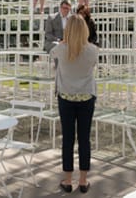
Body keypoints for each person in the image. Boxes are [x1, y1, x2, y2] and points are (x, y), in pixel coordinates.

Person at [51, 14, 99, 193]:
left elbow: (51, 55)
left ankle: (68, 179)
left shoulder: (60, 49)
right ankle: (84, 180)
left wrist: (64, 41)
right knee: (84, 138)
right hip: (86, 96)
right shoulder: (93, 50)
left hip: (66, 97)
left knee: (68, 139)